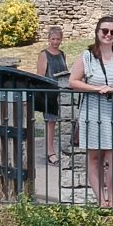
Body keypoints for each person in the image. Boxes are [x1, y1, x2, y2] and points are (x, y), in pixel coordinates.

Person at [71, 16, 113, 207]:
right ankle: (102, 201)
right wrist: (97, 89)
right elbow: (73, 81)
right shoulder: (87, 56)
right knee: (95, 157)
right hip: (93, 110)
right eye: (105, 31)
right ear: (97, 32)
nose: (108, 35)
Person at [36, 26, 67, 166]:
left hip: (61, 91)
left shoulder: (62, 54)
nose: (55, 42)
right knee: (50, 122)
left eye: (58, 39)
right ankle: (50, 151)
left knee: (59, 123)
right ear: (49, 39)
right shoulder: (44, 54)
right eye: (53, 39)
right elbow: (40, 76)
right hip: (48, 92)